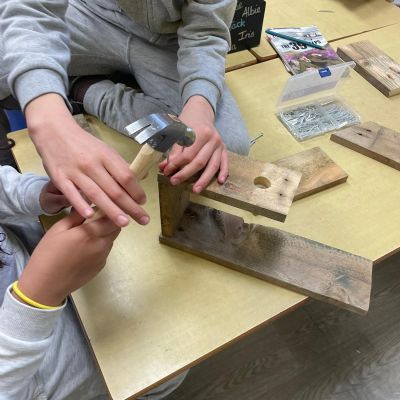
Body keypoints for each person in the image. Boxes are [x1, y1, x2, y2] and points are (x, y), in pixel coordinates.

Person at [0, 0, 251, 229]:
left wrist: (200, 107)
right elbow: (29, 11)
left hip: (167, 42)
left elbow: (206, 31)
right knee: (13, 63)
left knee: (221, 147)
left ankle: (88, 90)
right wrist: (49, 120)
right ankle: (70, 84)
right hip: (83, 15)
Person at [0, 165, 187, 399]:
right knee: (165, 371)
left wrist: (37, 194)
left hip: (39, 246)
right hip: (35, 366)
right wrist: (38, 296)